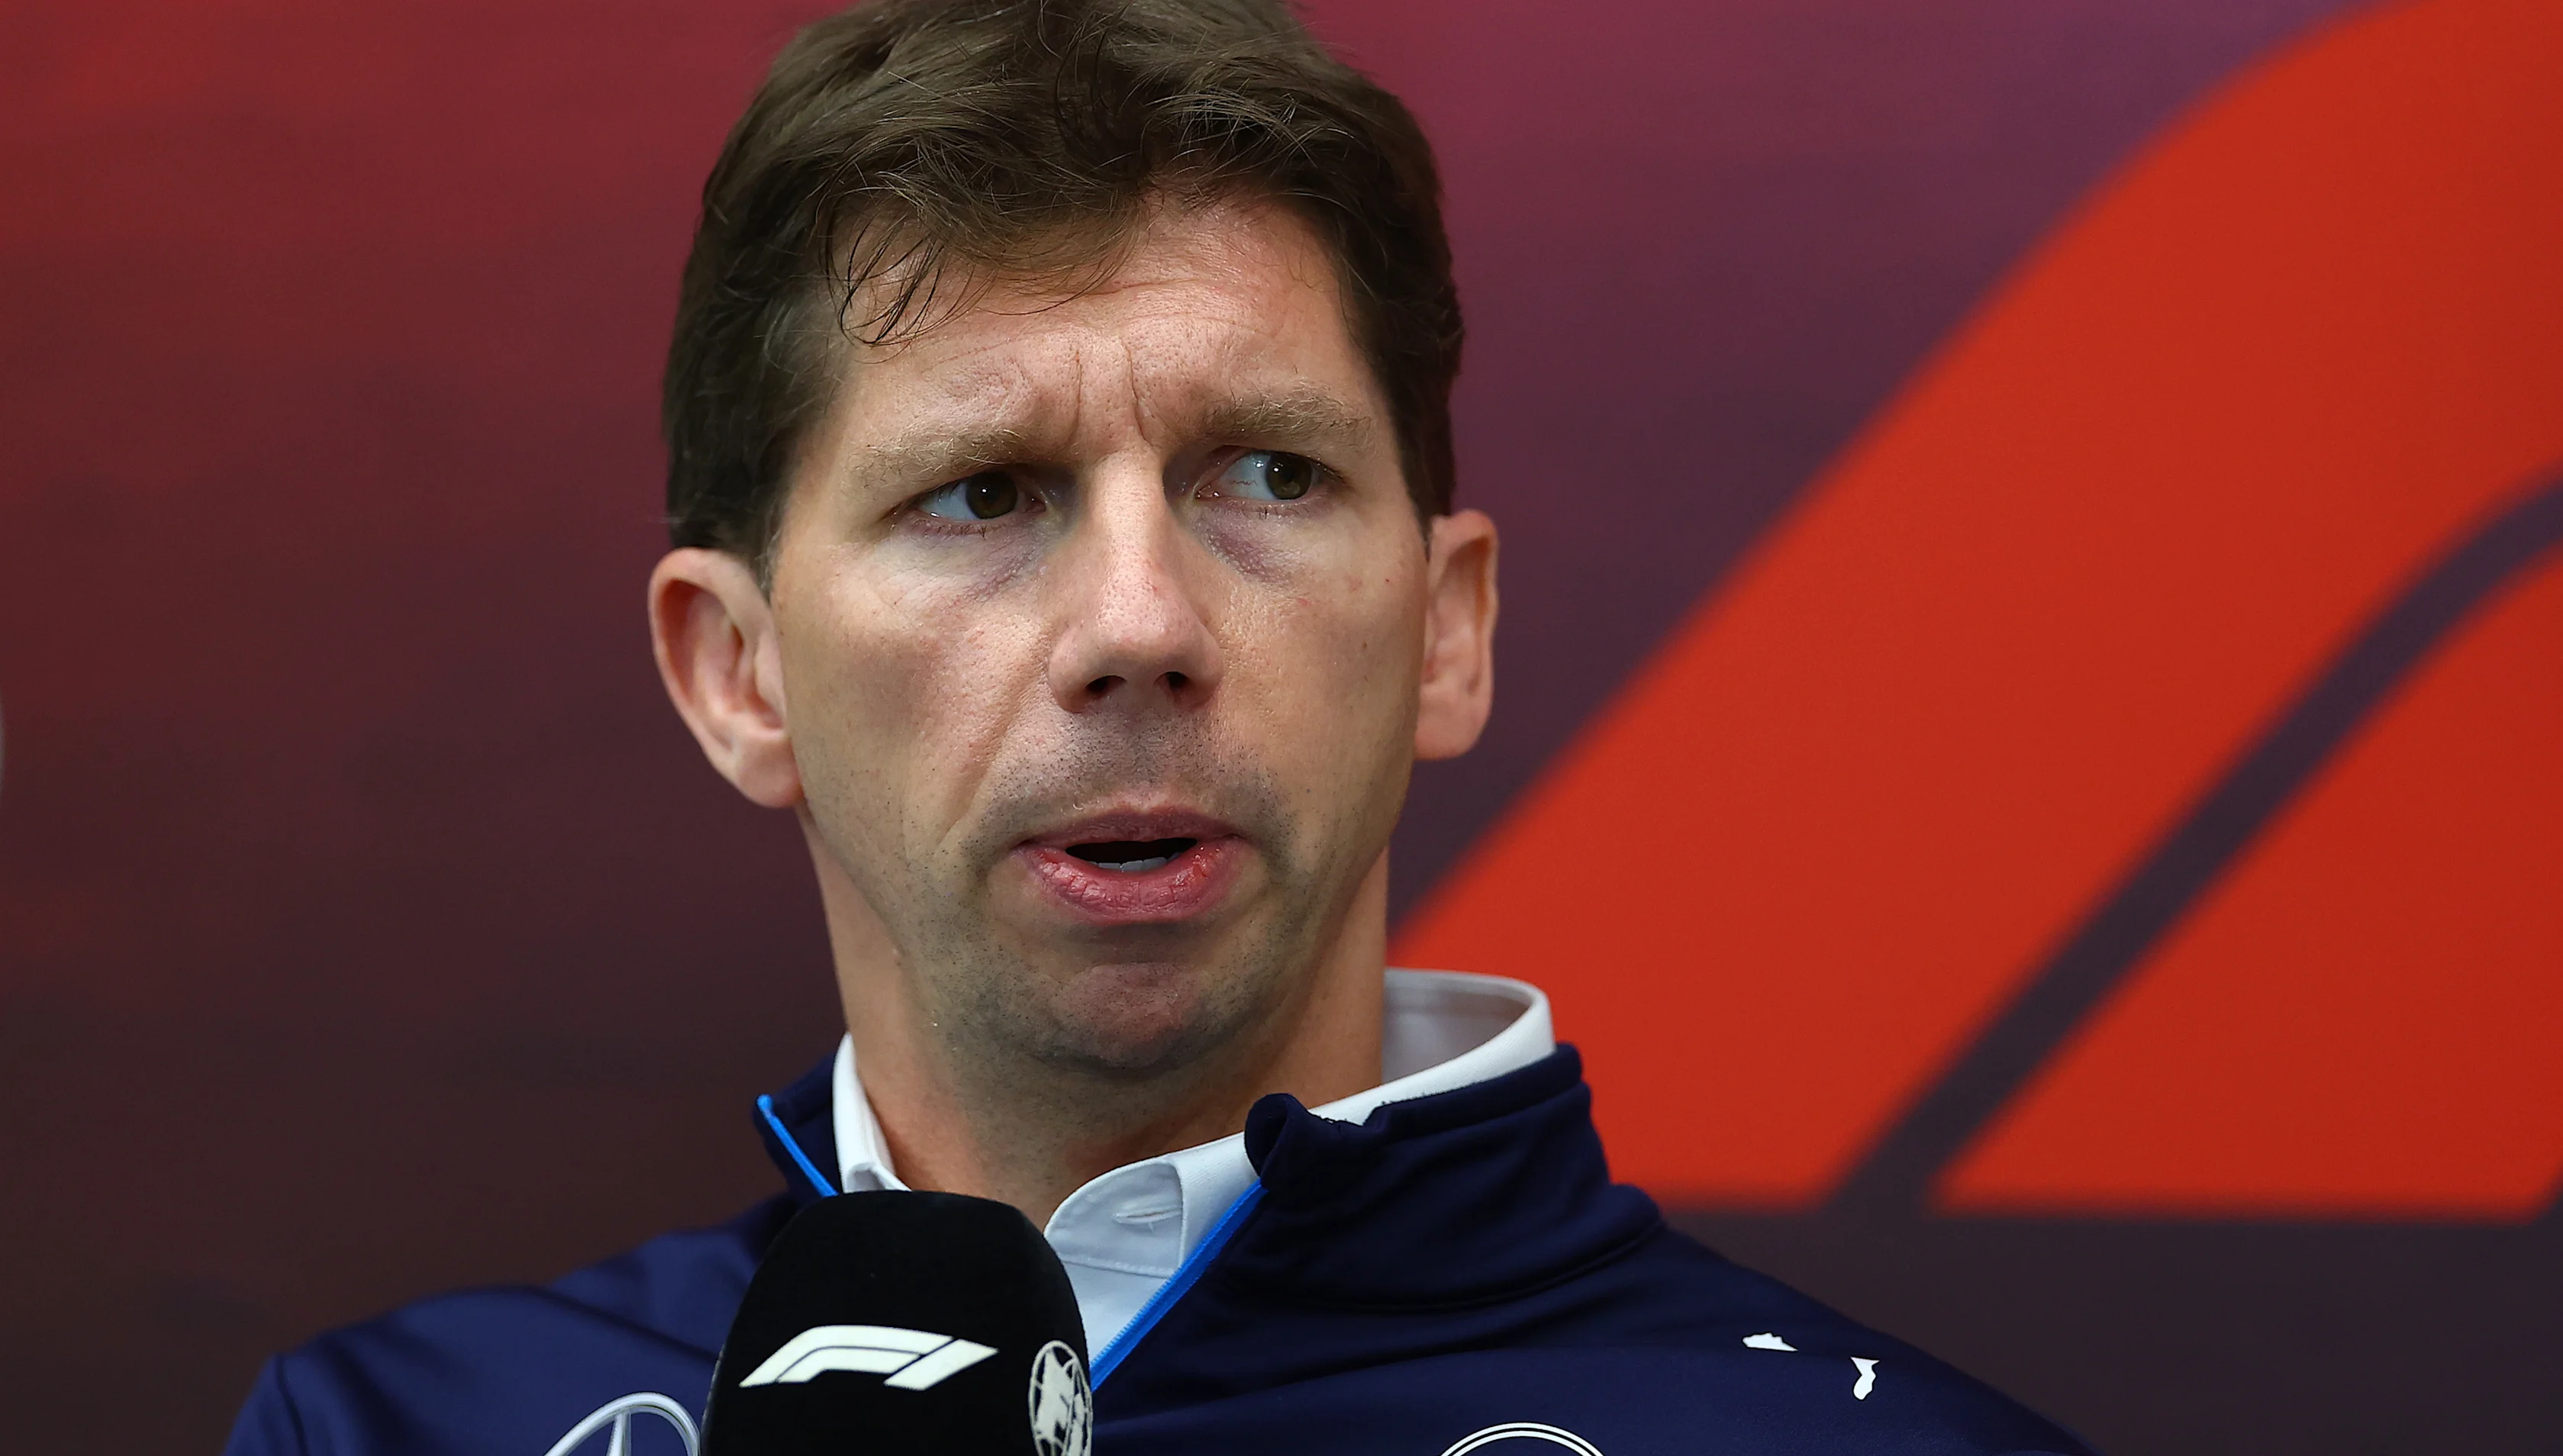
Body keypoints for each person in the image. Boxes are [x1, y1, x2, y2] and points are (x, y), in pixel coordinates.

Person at [224, 1, 2094, 1451]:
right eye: (982, 493)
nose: (1138, 626)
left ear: (1445, 632)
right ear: (740, 672)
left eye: (1265, 475)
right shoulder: (392, 1435)